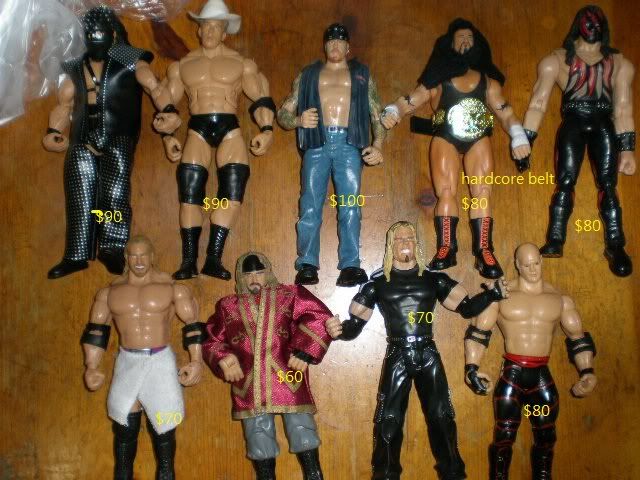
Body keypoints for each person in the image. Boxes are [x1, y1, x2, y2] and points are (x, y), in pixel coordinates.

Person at [325, 221, 507, 480]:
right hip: (397, 352)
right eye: (399, 239)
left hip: (427, 351)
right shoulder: (377, 283)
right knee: (388, 420)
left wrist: (492, 295)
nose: (405, 243)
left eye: (409, 238)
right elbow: (355, 324)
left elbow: (466, 308)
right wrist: (339, 330)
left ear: (416, 243)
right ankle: (386, 475)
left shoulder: (433, 278)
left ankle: (453, 473)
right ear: (391, 245)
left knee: (442, 417)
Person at [381, 19, 531, 279]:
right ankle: (446, 248)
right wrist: (394, 110)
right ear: (449, 44)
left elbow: (505, 112)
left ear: (478, 44)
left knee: (482, 193)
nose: (465, 42)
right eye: (460, 38)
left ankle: (484, 249)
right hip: (446, 135)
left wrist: (518, 136)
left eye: (469, 38)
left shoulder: (488, 82)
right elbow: (412, 99)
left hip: (478, 137)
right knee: (446, 192)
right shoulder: (438, 79)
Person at [153, 0, 276, 281]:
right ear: (198, 30)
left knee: (232, 193)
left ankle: (213, 258)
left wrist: (267, 129)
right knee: (190, 195)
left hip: (229, 127)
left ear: (224, 32)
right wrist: (168, 136)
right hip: (196, 128)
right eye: (205, 26)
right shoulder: (182, 66)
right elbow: (167, 105)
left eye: (215, 27)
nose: (209, 31)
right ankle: (188, 261)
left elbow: (261, 96)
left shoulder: (240, 64)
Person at [43, 6, 161, 279]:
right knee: (79, 194)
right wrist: (53, 130)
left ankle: (113, 246)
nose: (95, 39)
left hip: (117, 136)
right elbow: (64, 103)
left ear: (112, 34)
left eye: (100, 34)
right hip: (82, 137)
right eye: (90, 34)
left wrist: (166, 110)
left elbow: (152, 84)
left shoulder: (128, 58)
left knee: (114, 192)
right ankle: (76, 254)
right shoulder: (76, 65)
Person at [464, 243, 597, 479]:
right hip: (512, 375)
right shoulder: (502, 295)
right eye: (526, 265)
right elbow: (479, 333)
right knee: (505, 435)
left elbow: (578, 338)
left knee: (546, 435)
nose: (533, 269)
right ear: (517, 265)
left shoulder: (559, 300)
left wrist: (587, 371)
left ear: (542, 261)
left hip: (540, 376)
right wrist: (472, 369)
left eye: (536, 263)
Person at [522, 5, 636, 276]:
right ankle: (555, 238)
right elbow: (538, 103)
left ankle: (615, 245)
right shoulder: (557, 60)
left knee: (608, 185)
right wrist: (524, 141)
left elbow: (623, 107)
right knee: (565, 181)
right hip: (573, 121)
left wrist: (628, 149)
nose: (593, 26)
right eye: (588, 22)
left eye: (597, 22)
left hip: (603, 122)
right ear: (578, 25)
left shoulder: (619, 63)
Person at [81, 235, 206, 479]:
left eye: (143, 255)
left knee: (164, 426)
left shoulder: (172, 288)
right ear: (126, 258)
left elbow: (192, 324)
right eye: (133, 255)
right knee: (124, 427)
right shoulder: (110, 292)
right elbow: (97, 330)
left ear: (152, 256)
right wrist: (91, 366)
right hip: (128, 360)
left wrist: (196, 361)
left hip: (160, 361)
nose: (138, 261)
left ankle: (166, 474)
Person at [203, 252, 336, 480]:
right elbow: (211, 339)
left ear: (269, 272)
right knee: (258, 438)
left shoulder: (290, 295)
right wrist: (223, 358)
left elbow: (318, 316)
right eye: (248, 274)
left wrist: (305, 351)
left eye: (259, 272)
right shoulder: (228, 306)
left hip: (288, 375)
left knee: (303, 430)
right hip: (250, 381)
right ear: (240, 277)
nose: (254, 279)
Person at [278, 23, 386, 287]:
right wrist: (298, 120)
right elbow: (283, 113)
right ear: (325, 45)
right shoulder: (308, 75)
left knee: (350, 204)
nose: (335, 45)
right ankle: (307, 263)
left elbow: (376, 113)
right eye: (330, 41)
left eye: (340, 41)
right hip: (317, 142)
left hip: (349, 143)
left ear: (348, 47)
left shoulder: (361, 75)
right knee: (310, 204)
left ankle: (350, 264)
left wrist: (378, 144)